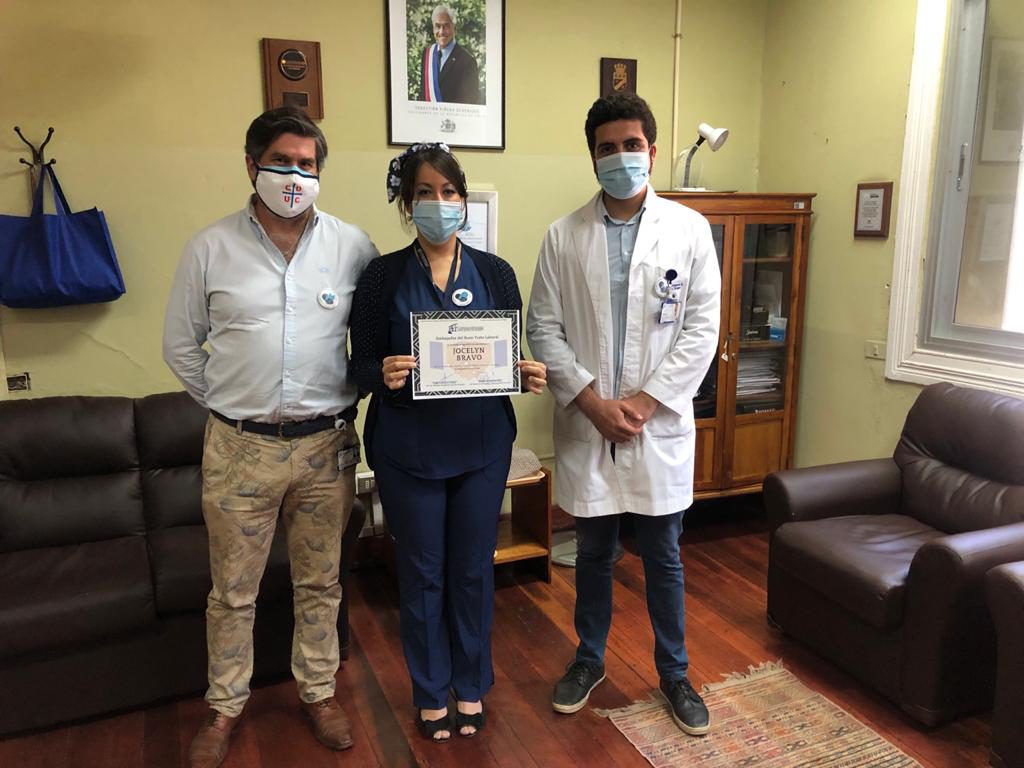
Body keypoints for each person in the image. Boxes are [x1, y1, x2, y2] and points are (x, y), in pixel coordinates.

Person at [162, 106, 379, 768]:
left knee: (321, 582)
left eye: (306, 165)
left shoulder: (353, 247)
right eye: (281, 162)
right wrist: (235, 405)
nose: (294, 176)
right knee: (232, 591)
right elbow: (181, 346)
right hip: (240, 449)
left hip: (324, 448)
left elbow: (371, 341)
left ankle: (319, 692)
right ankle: (224, 707)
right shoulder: (210, 248)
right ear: (251, 165)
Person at [526, 93, 721, 736]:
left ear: (652, 151)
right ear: (592, 157)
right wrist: (591, 402)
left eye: (631, 145)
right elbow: (543, 329)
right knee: (593, 552)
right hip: (589, 423)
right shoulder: (563, 235)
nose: (620, 157)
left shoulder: (689, 230)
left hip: (655, 424)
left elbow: (701, 330)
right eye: (607, 148)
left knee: (663, 555)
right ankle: (589, 659)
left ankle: (675, 673)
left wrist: (641, 403)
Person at [350, 142, 546, 742]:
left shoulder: (496, 273)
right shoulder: (381, 275)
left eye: (449, 191)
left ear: (462, 199)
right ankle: (431, 692)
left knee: (471, 572)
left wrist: (523, 373)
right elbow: (357, 366)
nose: (439, 203)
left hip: (480, 447)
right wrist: (380, 372)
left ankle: (471, 685)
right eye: (425, 193)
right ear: (407, 205)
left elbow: (504, 357)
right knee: (422, 574)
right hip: (407, 449)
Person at [419, 4, 483, 105]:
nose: (441, 32)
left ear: (454, 28)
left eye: (446, 26)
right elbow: (422, 95)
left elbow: (471, 103)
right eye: (438, 26)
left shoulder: (467, 61)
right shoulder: (427, 54)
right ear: (433, 28)